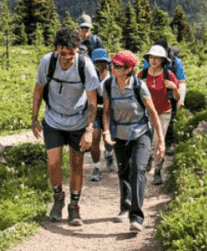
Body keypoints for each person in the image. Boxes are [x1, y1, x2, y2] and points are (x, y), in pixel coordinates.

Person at [31, 26, 100, 226]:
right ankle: (58, 198)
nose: (67, 58)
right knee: (52, 162)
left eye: (72, 53)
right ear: (57, 49)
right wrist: (34, 118)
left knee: (76, 165)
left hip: (78, 121)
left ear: (77, 49)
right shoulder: (47, 62)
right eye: (63, 54)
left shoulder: (85, 66)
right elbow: (37, 91)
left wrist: (88, 130)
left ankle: (74, 206)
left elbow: (92, 102)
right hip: (53, 119)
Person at [101, 50, 164, 233]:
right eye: (113, 64)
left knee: (138, 170)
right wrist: (106, 131)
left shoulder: (139, 86)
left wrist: (160, 141)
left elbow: (152, 114)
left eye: (118, 66)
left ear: (128, 69)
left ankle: (136, 217)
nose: (113, 68)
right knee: (124, 171)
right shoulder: (107, 85)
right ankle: (125, 206)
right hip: (119, 133)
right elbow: (105, 112)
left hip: (140, 133)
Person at [140, 44, 180, 185]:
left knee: (158, 141)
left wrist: (174, 88)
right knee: (146, 140)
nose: (153, 60)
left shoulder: (168, 75)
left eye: (157, 58)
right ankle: (149, 158)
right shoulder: (143, 74)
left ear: (163, 60)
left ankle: (157, 171)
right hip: (147, 113)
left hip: (163, 112)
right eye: (151, 57)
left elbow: (176, 97)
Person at [141, 40, 187, 151]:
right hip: (152, 96)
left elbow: (181, 82)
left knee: (169, 122)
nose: (154, 59)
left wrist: (181, 99)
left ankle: (168, 143)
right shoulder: (148, 62)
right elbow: (143, 78)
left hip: (170, 96)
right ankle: (152, 146)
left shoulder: (175, 61)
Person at [88, 48, 115, 181]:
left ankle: (109, 153)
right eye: (96, 62)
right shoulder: (90, 76)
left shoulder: (113, 75)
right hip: (95, 110)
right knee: (95, 137)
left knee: (107, 138)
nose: (99, 65)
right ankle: (96, 167)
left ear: (106, 62)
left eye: (101, 62)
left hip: (110, 111)